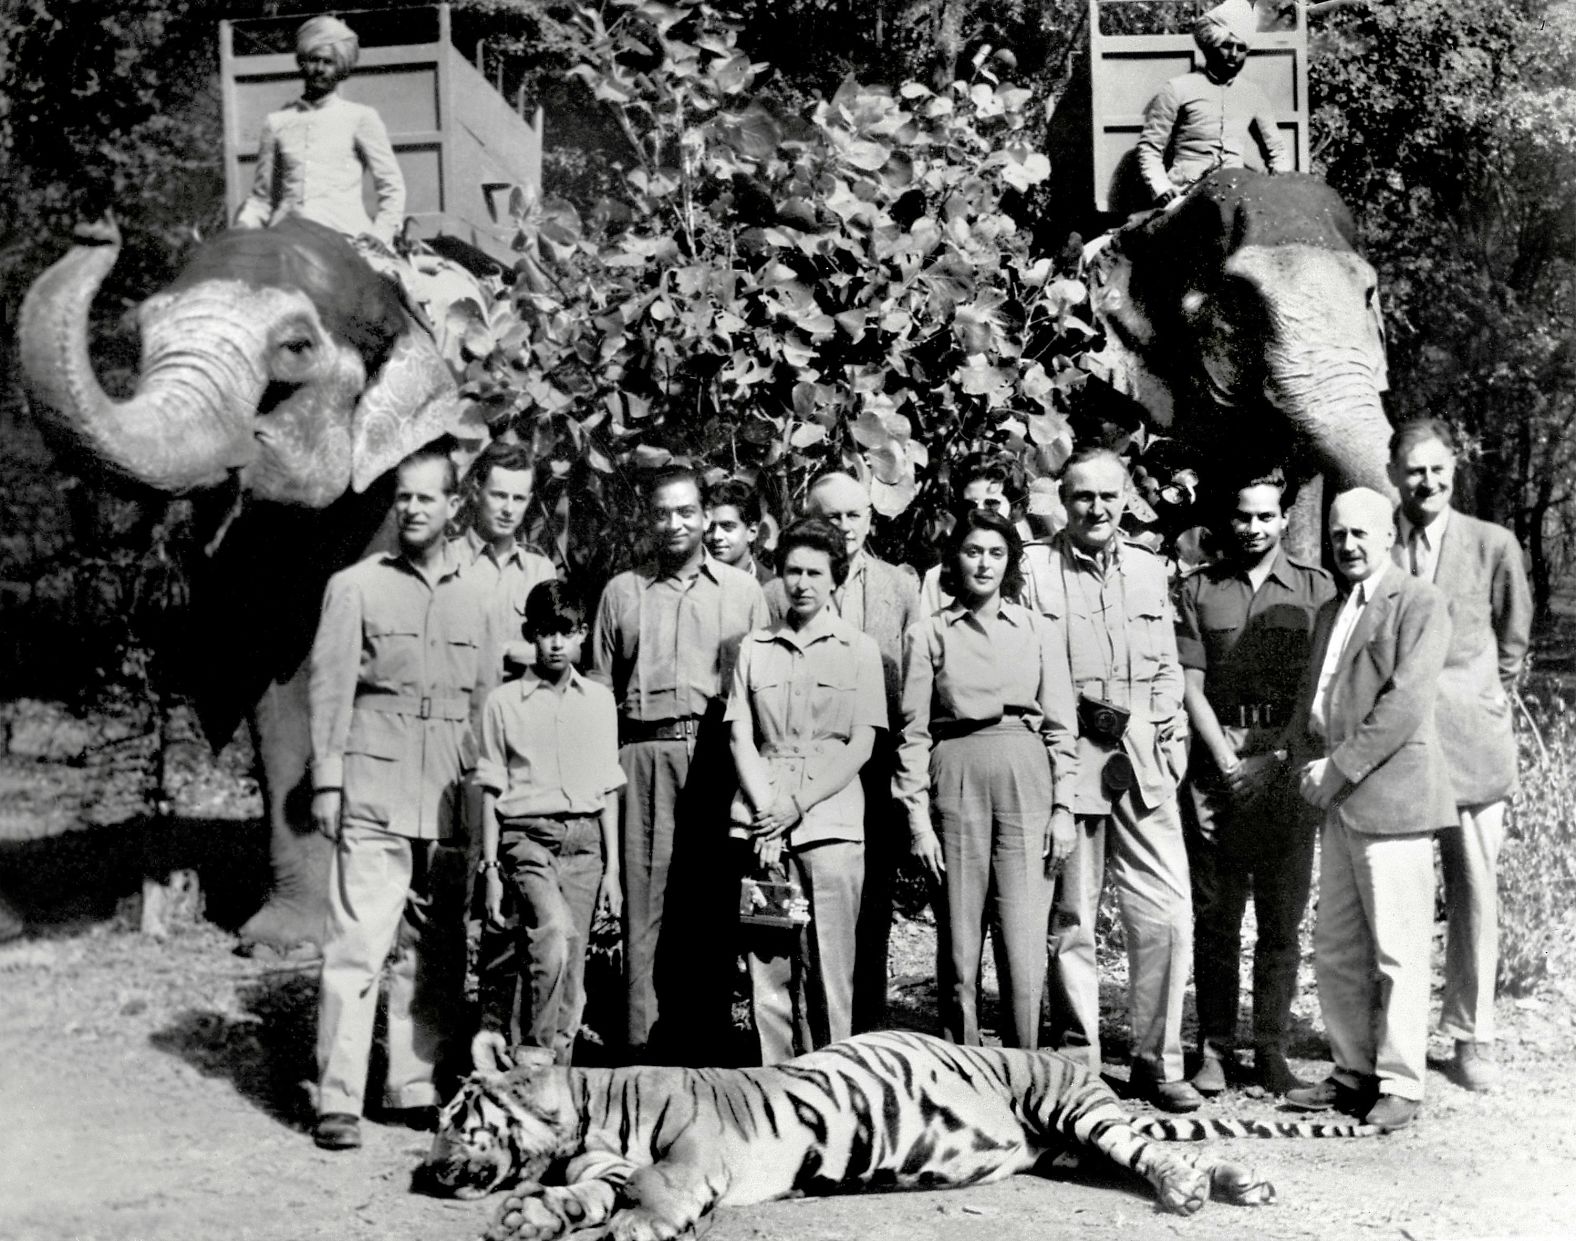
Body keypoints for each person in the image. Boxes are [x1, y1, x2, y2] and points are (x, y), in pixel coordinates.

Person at [307, 442, 493, 1151]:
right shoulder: (355, 586)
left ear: (454, 507)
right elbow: (330, 690)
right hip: (374, 790)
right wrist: (328, 779)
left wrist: (481, 801)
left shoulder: (478, 597)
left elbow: (484, 707)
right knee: (357, 945)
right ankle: (337, 1098)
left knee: (435, 949)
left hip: (445, 795)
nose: (413, 508)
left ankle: (411, 1083)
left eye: (427, 497)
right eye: (403, 497)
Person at [1284, 487, 1455, 1130]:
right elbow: (1318, 696)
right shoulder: (1332, 610)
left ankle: (1402, 1084)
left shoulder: (1418, 602)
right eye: (1338, 535)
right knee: (1335, 947)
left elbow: (1404, 706)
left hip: (1393, 800)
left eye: (1361, 533)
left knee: (1399, 951)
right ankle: (1351, 1073)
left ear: (1388, 537)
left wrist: (1338, 767)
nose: (1348, 545)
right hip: (1337, 801)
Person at [1038, 448, 1200, 1112]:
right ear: (1064, 500)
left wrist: (1175, 730)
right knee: (1072, 914)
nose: (1096, 508)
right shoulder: (1033, 568)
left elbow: (1165, 660)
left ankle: (1156, 1060)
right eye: (1082, 496)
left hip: (1142, 757)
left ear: (1125, 499)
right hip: (1070, 754)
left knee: (1167, 914)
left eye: (1108, 496)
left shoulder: (1146, 568)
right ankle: (1079, 1061)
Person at [590, 465, 769, 1059]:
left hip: (718, 757)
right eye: (663, 512)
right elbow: (595, 694)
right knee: (643, 907)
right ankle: (641, 1052)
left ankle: (707, 1048)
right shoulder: (622, 592)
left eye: (686, 512)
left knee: (710, 907)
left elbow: (765, 691)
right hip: (642, 754)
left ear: (703, 514)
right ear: (647, 517)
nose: (675, 524)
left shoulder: (743, 594)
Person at [1175, 472, 1334, 1096]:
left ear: (1285, 520)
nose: (1253, 528)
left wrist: (1275, 757)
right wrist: (1226, 759)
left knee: (1279, 919)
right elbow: (1190, 681)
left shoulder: (1319, 589)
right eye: (1244, 516)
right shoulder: (1199, 588)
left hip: (1287, 764)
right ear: (1229, 519)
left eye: (1266, 517)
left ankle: (1270, 1047)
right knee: (1215, 918)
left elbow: (1316, 685)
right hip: (1217, 767)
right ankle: (1213, 1048)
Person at [898, 509, 1079, 1048]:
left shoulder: (1039, 631)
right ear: (955, 558)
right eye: (973, 551)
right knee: (958, 941)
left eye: (996, 553)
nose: (984, 563)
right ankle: (962, 1067)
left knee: (1024, 942)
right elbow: (912, 733)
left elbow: (1061, 728)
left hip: (1026, 777)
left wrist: (1064, 807)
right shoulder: (927, 633)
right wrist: (917, 819)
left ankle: (1023, 1069)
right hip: (955, 775)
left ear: (1010, 563)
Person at [1387, 419, 1532, 1091]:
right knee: (1399, 892)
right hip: (1399, 743)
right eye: (1414, 469)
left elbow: (1514, 635)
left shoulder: (1492, 543)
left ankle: (1472, 1034)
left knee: (1475, 891)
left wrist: (1487, 693)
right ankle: (1397, 1032)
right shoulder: (1376, 538)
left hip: (1473, 743)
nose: (1428, 481)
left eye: (1437, 468)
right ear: (1394, 473)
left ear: (1455, 470)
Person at [726, 518, 886, 1063]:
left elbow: (860, 744)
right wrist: (769, 809)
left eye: (815, 572)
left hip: (830, 828)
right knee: (770, 962)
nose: (801, 583)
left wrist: (795, 805)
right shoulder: (754, 648)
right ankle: (777, 1085)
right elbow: (742, 735)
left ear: (835, 579)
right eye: (792, 570)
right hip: (765, 831)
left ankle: (834, 1079)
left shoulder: (859, 649)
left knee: (829, 966)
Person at [767, 471, 921, 1032]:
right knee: (792, 906)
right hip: (800, 764)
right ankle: (800, 1038)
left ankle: (867, 1035)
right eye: (831, 517)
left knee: (870, 904)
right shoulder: (780, 588)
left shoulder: (899, 588)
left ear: (871, 519)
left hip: (874, 761)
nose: (845, 527)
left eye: (855, 515)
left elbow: (914, 683)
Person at [475, 581, 624, 1066]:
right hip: (528, 840)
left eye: (566, 631)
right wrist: (492, 868)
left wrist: (614, 872)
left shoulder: (599, 701)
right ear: (529, 635)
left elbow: (607, 789)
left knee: (570, 972)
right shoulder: (504, 702)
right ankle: (534, 1057)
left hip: (584, 847)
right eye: (545, 632)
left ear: (582, 634)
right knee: (552, 937)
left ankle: (552, 1085)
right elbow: (493, 788)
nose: (556, 644)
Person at [235, 16, 405, 249]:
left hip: (347, 238)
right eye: (313, 60)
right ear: (302, 63)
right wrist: (244, 227)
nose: (320, 69)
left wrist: (381, 234)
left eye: (328, 62)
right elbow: (261, 199)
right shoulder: (277, 122)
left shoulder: (360, 117)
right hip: (285, 240)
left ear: (341, 68)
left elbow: (392, 186)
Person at [1135, 0, 1292, 208]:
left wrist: (1281, 189)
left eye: (1241, 48)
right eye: (1227, 46)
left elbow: (1277, 152)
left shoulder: (1253, 94)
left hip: (1237, 196)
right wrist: (1162, 188)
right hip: (1186, 198)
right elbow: (1149, 148)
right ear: (1210, 46)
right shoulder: (1177, 89)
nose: (1234, 55)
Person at [458, 442, 560, 674]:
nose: (509, 509)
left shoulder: (539, 571)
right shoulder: (445, 561)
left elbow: (561, 650)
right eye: (499, 495)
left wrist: (510, 650)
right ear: (476, 493)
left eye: (518, 499)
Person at [918, 457, 1018, 615]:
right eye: (969, 505)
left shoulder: (1033, 570)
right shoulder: (937, 578)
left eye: (991, 504)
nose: (980, 514)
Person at [705, 478, 775, 586]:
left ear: (752, 532)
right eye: (710, 527)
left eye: (727, 526)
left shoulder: (772, 589)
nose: (715, 536)